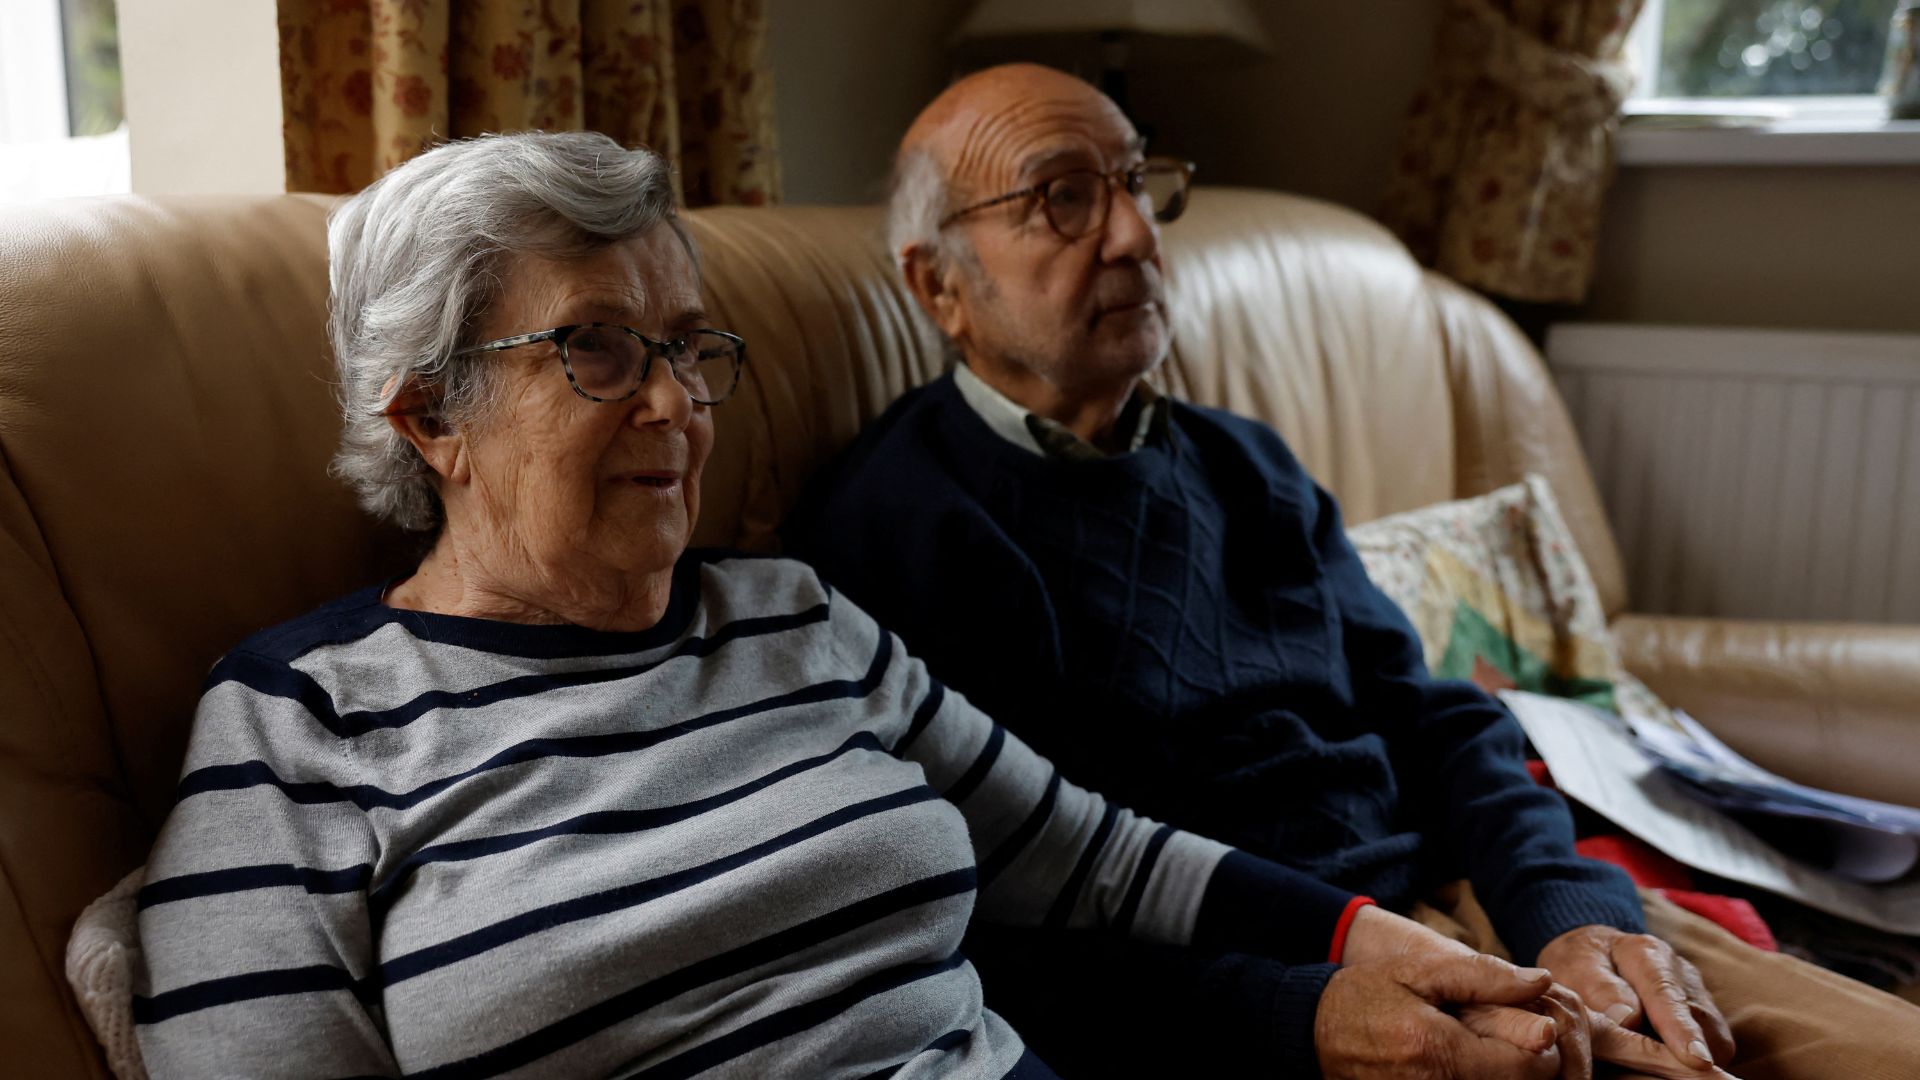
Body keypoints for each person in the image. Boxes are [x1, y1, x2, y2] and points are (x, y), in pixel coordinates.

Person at [128, 130, 1644, 1080]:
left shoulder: (791, 618)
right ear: (428, 418)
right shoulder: (299, 724)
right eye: (595, 350)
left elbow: (1100, 861)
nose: (674, 406)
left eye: (691, 345)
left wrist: (1383, 945)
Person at [781, 63, 1920, 1079]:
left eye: (1138, 182)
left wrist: (1563, 907)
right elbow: (995, 920)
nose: (1134, 235)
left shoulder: (1244, 461)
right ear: (939, 287)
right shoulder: (901, 527)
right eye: (1064, 198)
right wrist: (1304, 1015)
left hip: (1474, 899)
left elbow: (1434, 721)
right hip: (1279, 987)